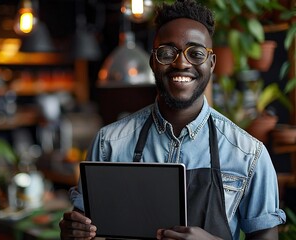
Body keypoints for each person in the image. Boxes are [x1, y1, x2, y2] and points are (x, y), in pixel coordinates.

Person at [59, 0, 286, 239]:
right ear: (153, 61)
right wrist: (73, 232)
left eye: (196, 53)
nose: (181, 63)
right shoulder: (109, 144)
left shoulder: (248, 154)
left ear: (211, 64)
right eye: (167, 52)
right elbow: (86, 226)